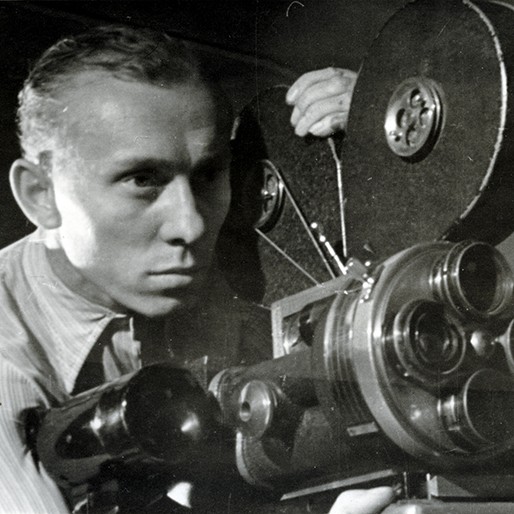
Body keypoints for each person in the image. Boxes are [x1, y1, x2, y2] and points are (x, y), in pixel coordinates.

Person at [0, 24, 394, 513]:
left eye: (208, 174)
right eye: (142, 180)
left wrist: (380, 142)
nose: (191, 224)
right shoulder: (8, 365)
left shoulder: (217, 254)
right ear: (41, 196)